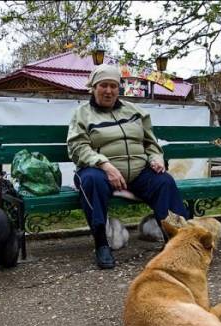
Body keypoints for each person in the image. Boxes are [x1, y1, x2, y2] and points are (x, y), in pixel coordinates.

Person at [67, 64, 189, 269]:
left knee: (164, 181)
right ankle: (101, 243)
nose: (108, 91)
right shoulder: (82, 114)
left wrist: (156, 158)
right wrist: (105, 165)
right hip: (101, 172)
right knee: (90, 180)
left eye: (113, 86)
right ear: (93, 88)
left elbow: (151, 143)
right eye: (103, 85)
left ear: (119, 88)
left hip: (139, 172)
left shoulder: (134, 111)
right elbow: (78, 148)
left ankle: (178, 242)